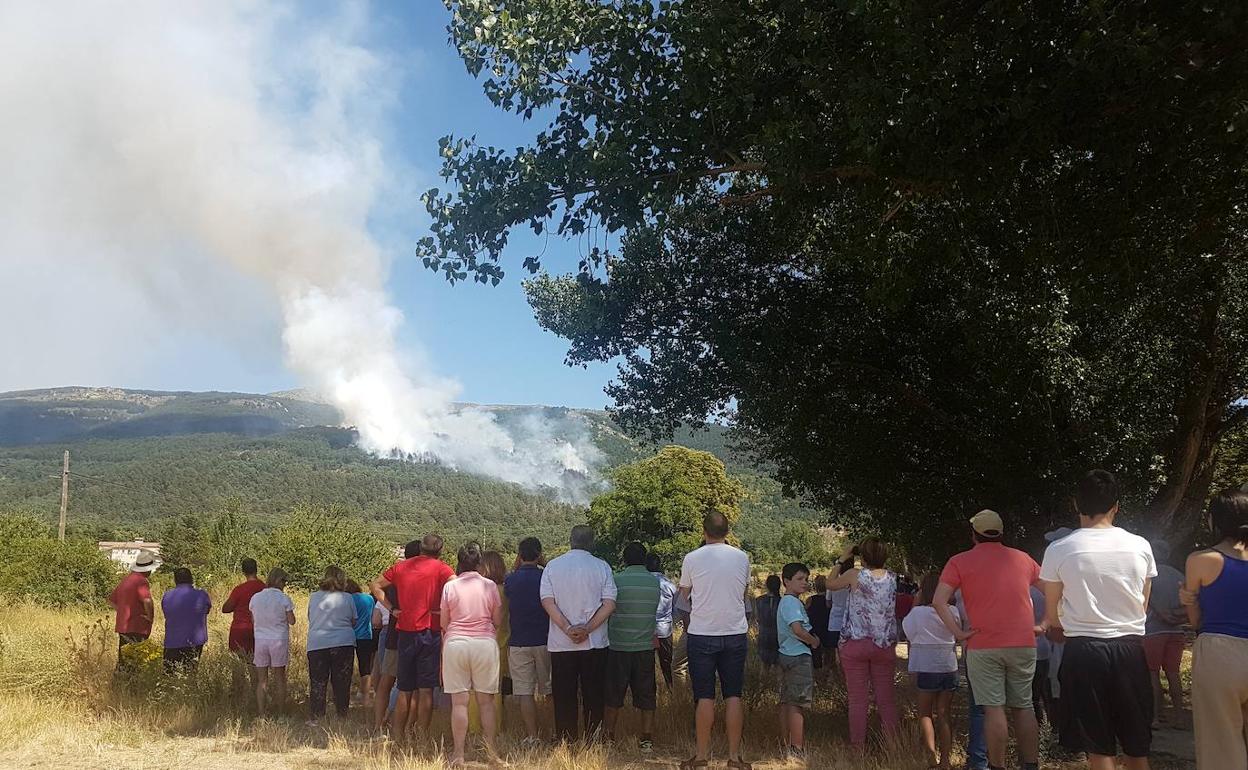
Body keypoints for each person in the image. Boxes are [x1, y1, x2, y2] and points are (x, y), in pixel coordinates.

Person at [1040, 470, 1156, 770]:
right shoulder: (1141, 546)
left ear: (1075, 503)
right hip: (1130, 649)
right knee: (1136, 744)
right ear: (1116, 505)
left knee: (1098, 746)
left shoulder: (1058, 549)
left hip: (1084, 651)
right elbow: (1143, 604)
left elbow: (1053, 615)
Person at [933, 509, 1041, 770]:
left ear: (974, 535)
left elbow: (938, 601)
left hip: (983, 644)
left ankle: (997, 766)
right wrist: (1047, 623)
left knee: (994, 710)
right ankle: (1031, 765)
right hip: (1023, 642)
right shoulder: (1023, 559)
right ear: (1001, 533)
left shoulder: (959, 561)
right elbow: (1052, 588)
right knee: (1024, 707)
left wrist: (959, 634)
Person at [678, 511, 751, 770]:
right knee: (733, 695)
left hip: (702, 634)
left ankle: (700, 757)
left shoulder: (692, 558)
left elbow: (683, 597)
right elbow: (743, 593)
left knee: (705, 696)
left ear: (704, 530)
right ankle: (734, 757)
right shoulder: (742, 558)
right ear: (727, 531)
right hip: (734, 632)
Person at [1182, 488, 1248, 770]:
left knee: (1221, 741)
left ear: (1215, 520)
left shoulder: (1201, 560)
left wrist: (1187, 599)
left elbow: (1196, 620)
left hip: (1219, 652)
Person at [373, 533, 455, 743]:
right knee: (426, 688)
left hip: (405, 632)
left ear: (420, 548)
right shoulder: (442, 568)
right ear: (440, 551)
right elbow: (456, 587)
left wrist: (392, 609)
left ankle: (398, 735)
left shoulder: (402, 567)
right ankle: (421, 736)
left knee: (404, 688)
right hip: (430, 631)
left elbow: (375, 585)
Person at [540, 524, 617, 742]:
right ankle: (593, 737)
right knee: (594, 693)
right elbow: (609, 604)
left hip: (561, 641)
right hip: (594, 642)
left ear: (570, 540)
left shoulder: (553, 567)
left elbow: (547, 601)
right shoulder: (602, 566)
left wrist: (567, 628)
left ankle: (566, 738)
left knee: (564, 694)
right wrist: (588, 629)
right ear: (592, 542)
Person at [826, 537, 899, 750]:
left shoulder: (854, 575)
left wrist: (842, 560)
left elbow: (829, 583)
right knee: (886, 700)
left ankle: (858, 747)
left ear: (862, 556)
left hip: (856, 643)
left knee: (858, 700)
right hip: (883, 644)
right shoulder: (893, 578)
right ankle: (894, 746)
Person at [441, 542, 504, 766]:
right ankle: (491, 752)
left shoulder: (451, 586)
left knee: (459, 703)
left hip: (456, 643)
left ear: (459, 562)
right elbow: (497, 621)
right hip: (484, 644)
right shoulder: (490, 586)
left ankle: (458, 754)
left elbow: (444, 622)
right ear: (480, 562)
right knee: (486, 702)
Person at [604, 541, 661, 752]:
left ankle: (608, 736)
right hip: (645, 647)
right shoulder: (654, 583)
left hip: (618, 646)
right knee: (647, 695)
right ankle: (646, 738)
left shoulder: (616, 581)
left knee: (613, 695)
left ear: (624, 559)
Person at [904, 573, 960, 770]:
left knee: (925, 714)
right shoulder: (952, 610)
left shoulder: (918, 613)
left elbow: (908, 632)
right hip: (948, 665)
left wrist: (915, 604)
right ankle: (945, 761)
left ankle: (931, 759)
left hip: (926, 667)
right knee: (944, 713)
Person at [505, 536, 550, 746]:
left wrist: (517, 566)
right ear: (539, 555)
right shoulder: (547, 577)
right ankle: (555, 732)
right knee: (550, 690)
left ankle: (533, 736)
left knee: (524, 692)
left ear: (519, 555)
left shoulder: (511, 579)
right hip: (546, 640)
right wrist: (546, 563)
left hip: (519, 641)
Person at [373, 541, 418, 731]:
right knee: (413, 686)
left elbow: (377, 588)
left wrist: (391, 609)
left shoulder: (395, 576)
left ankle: (378, 725)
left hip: (393, 634)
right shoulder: (420, 577)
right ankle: (407, 727)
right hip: (414, 635)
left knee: (386, 682)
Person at [777, 562, 819, 761]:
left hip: (786, 654)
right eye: (800, 579)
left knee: (786, 701)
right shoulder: (792, 603)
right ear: (786, 581)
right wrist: (814, 641)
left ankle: (786, 742)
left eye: (806, 579)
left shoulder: (787, 602)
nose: (805, 583)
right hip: (798, 655)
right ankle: (797, 747)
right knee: (796, 703)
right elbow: (797, 629)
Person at [306, 565, 357, 725]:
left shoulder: (314, 597)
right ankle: (342, 715)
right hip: (343, 642)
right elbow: (353, 620)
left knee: (318, 680)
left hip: (317, 642)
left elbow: (310, 617)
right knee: (342, 680)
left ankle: (317, 715)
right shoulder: (347, 598)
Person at [1143, 539, 1186, 724]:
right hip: (1177, 631)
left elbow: (1150, 604)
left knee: (1152, 672)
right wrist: (1177, 617)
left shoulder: (1148, 576)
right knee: (1173, 673)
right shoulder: (1178, 575)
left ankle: (1154, 717)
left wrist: (1165, 615)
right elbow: (1190, 604)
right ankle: (1178, 716)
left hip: (1153, 631)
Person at [249, 567, 296, 714]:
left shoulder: (256, 597)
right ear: (279, 581)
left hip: (261, 640)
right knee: (280, 678)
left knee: (262, 680)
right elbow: (292, 621)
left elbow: (253, 619)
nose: (285, 585)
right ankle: (281, 713)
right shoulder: (283, 598)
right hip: (278, 640)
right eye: (284, 581)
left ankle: (262, 714)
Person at [222, 557, 265, 691]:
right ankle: (257, 693)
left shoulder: (239, 589)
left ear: (243, 571)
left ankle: (237, 693)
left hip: (239, 630)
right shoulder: (264, 588)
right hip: (258, 630)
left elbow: (226, 608)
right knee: (255, 664)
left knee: (237, 665)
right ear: (256, 569)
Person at [109, 550, 156, 670]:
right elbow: (147, 601)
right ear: (147, 569)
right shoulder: (141, 581)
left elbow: (111, 601)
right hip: (137, 626)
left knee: (124, 660)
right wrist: (150, 617)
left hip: (123, 626)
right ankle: (133, 686)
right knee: (137, 661)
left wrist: (123, 611)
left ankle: (119, 685)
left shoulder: (126, 580)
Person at [162, 567, 211, 674]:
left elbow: (167, 614)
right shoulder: (202, 595)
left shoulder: (167, 596)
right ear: (191, 579)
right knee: (191, 672)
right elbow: (206, 611)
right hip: (195, 641)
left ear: (175, 580)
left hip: (173, 641)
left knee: (170, 674)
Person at [648, 553, 678, 688]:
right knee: (666, 662)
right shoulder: (669, 584)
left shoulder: (644, 583)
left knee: (648, 665)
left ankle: (651, 691)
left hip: (647, 630)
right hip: (665, 629)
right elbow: (676, 609)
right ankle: (670, 688)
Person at [346, 579, 377, 705]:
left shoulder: (347, 599)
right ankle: (366, 697)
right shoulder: (369, 599)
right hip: (366, 635)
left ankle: (344, 695)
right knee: (365, 668)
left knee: (346, 668)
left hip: (349, 636)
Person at [1029, 584, 1055, 728]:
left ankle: (1038, 729)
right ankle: (1051, 727)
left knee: (1031, 697)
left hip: (1028, 647)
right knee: (1046, 692)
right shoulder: (1044, 593)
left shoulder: (1024, 591)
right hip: (1045, 647)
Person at [753, 575, 782, 671]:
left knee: (764, 665)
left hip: (764, 634)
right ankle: (778, 686)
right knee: (778, 665)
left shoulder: (759, 600)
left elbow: (757, 618)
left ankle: (763, 685)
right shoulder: (782, 601)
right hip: (778, 635)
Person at [804, 576, 830, 681]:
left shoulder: (810, 600)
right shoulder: (829, 601)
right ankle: (828, 677)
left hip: (815, 631)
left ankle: (818, 679)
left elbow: (805, 614)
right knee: (829, 656)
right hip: (827, 629)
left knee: (816, 657)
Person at [825, 577, 848, 677]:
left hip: (834, 621)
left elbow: (828, 603)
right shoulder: (853, 583)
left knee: (834, 650)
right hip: (849, 621)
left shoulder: (833, 584)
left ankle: (836, 673)